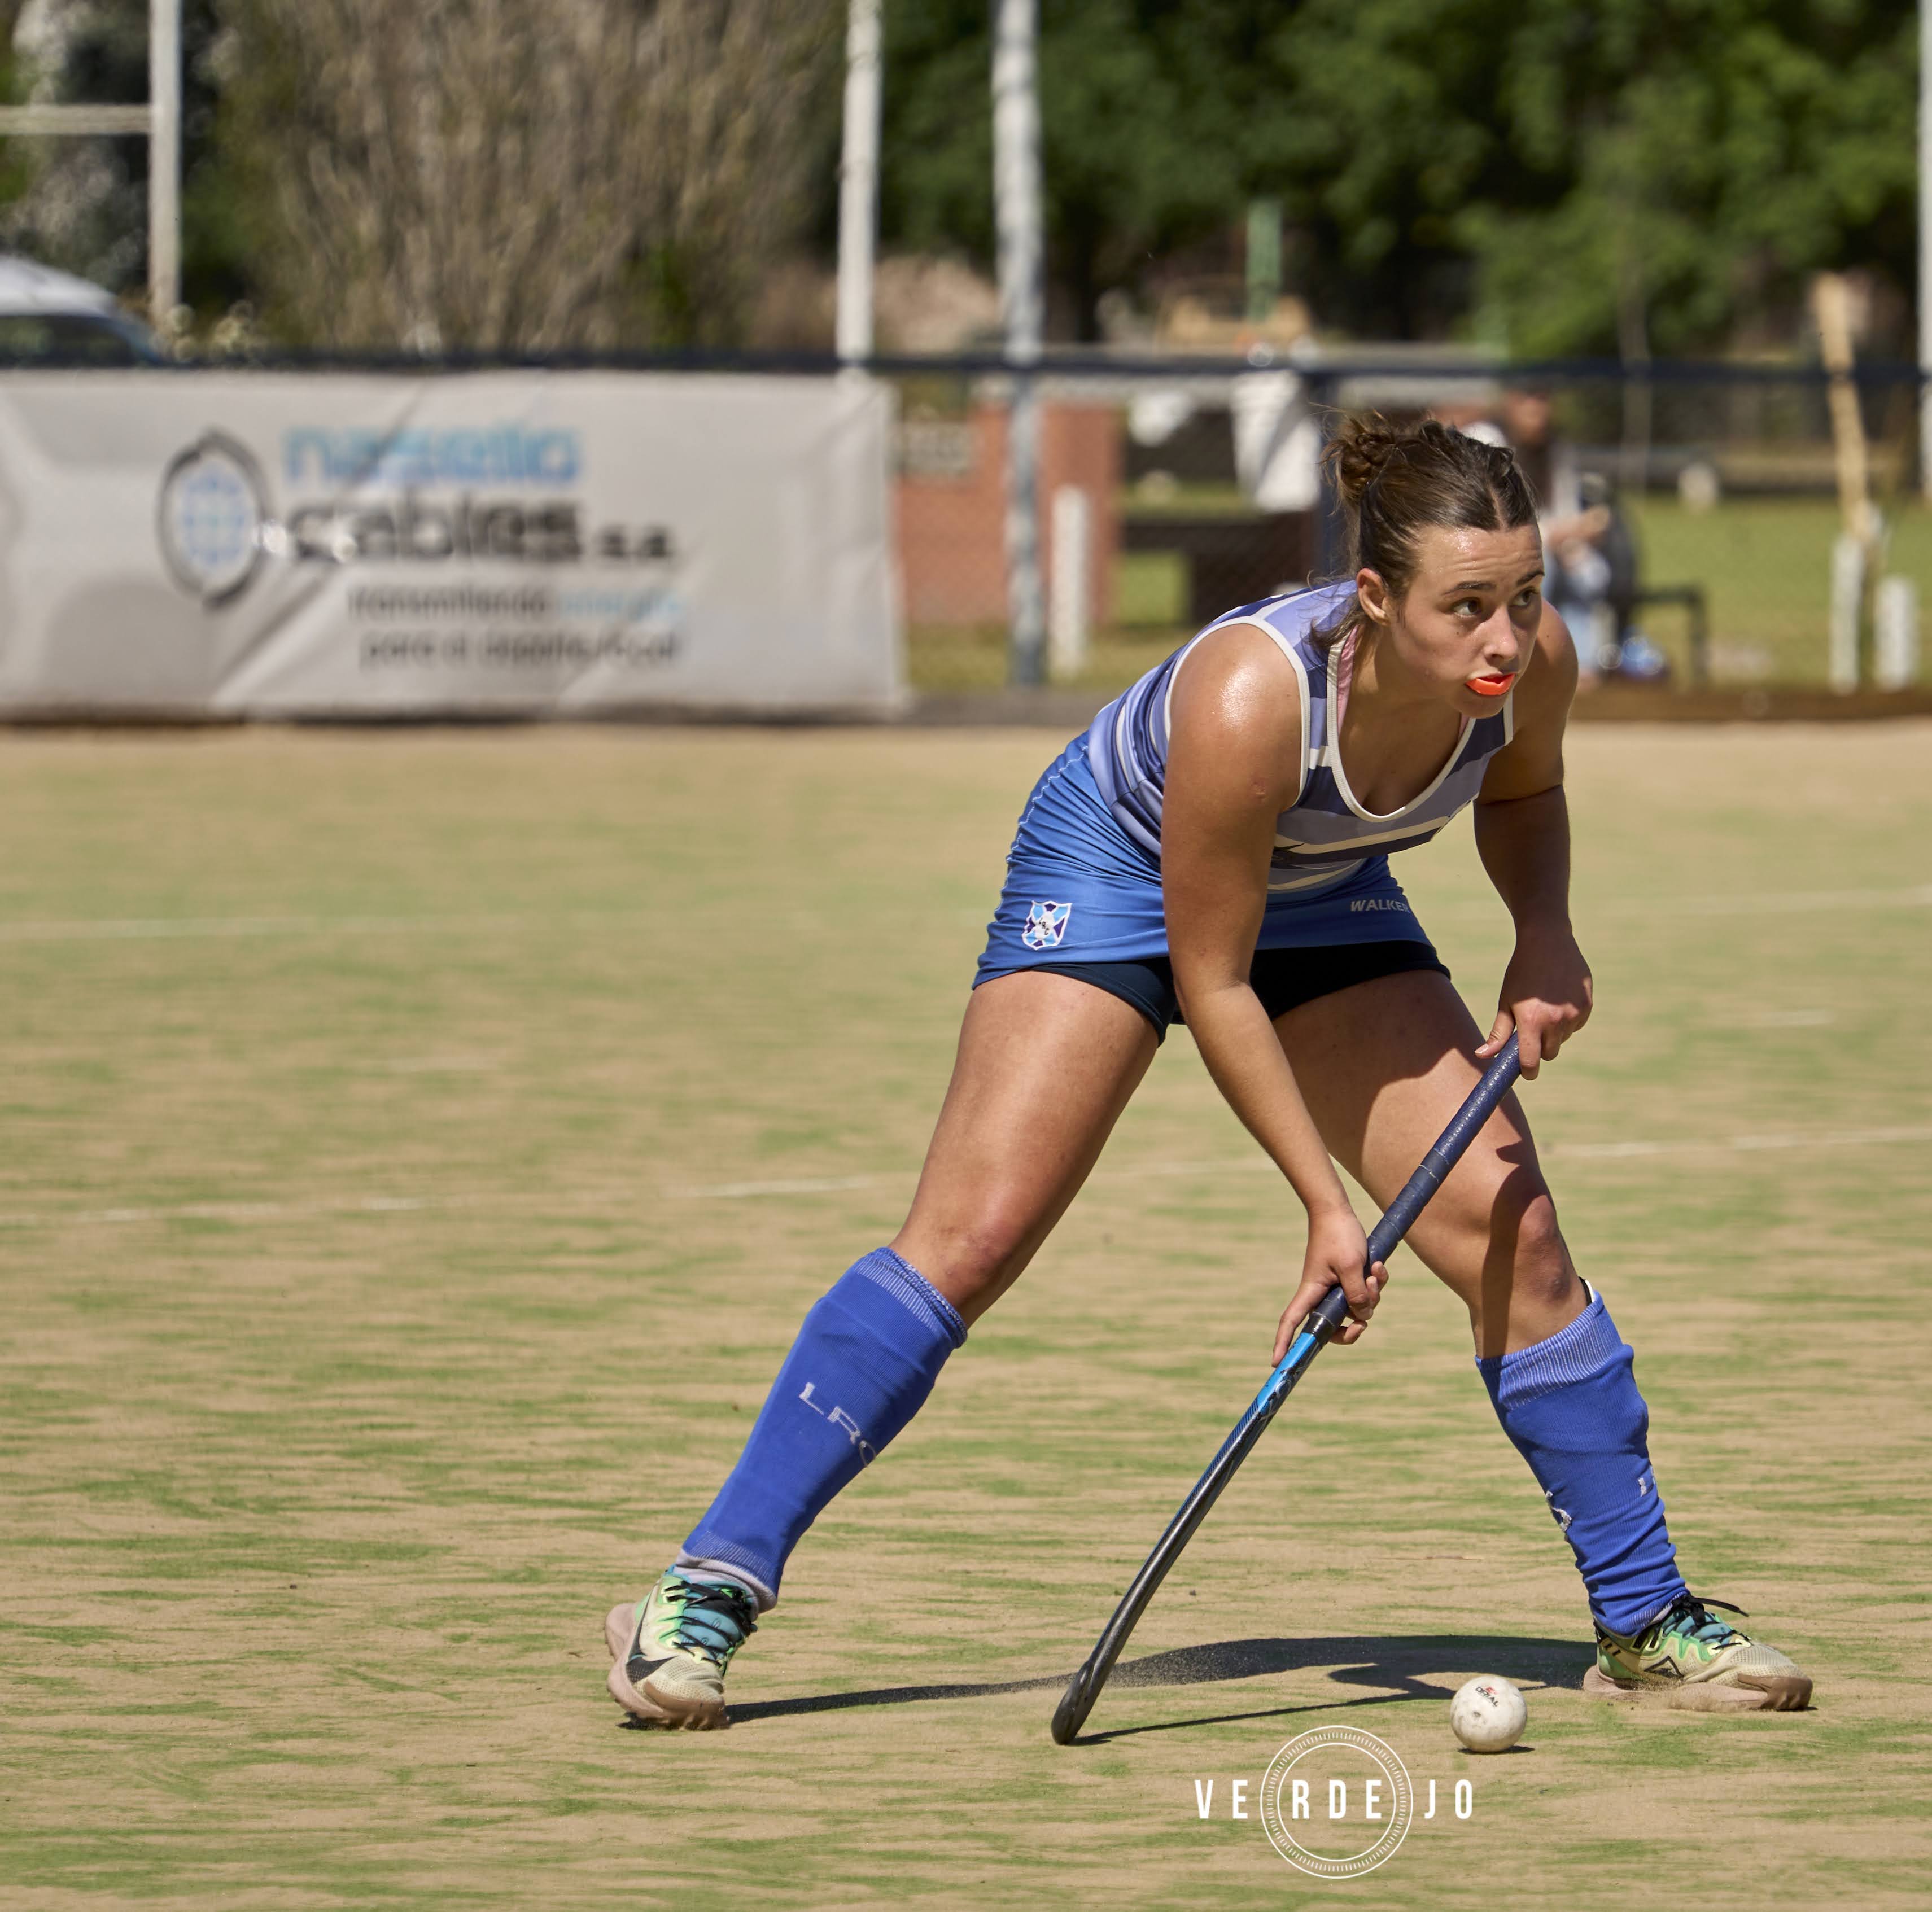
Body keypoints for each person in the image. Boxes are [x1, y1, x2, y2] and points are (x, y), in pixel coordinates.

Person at [605, 417, 1813, 1730]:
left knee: (1512, 1234)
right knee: (975, 1232)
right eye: (1466, 605)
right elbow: (1215, 978)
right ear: (1374, 597)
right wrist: (1325, 1206)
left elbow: (1522, 796)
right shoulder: (1253, 696)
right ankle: (704, 1586)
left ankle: (1644, 1616)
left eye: (1523, 595)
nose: (1506, 638)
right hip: (1118, 867)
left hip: (1324, 886)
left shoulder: (1534, 667)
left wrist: (1544, 931)